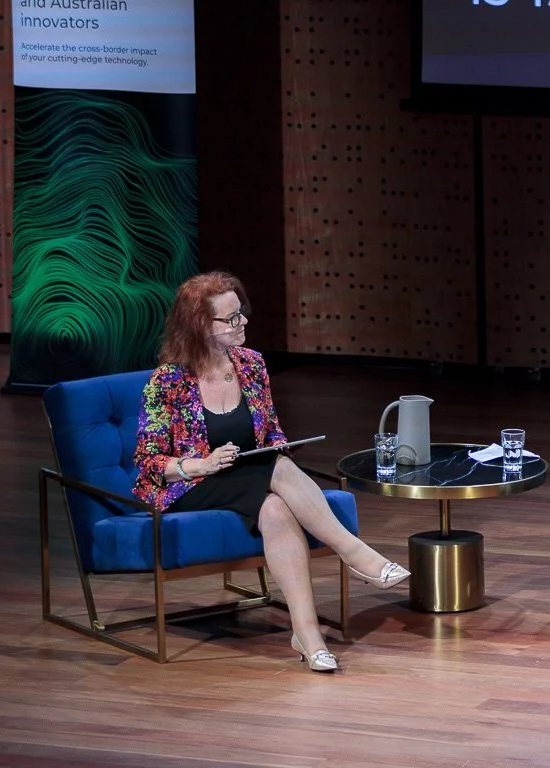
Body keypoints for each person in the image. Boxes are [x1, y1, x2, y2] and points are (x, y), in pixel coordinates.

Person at [133, 271, 411, 673]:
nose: (242, 322)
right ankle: (353, 552)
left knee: (277, 507)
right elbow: (149, 462)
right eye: (230, 319)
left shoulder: (252, 365)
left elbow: (269, 430)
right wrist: (202, 464)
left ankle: (307, 634)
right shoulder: (167, 383)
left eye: (240, 313)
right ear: (199, 326)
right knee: (277, 469)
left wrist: (280, 444)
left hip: (249, 474)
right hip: (190, 486)